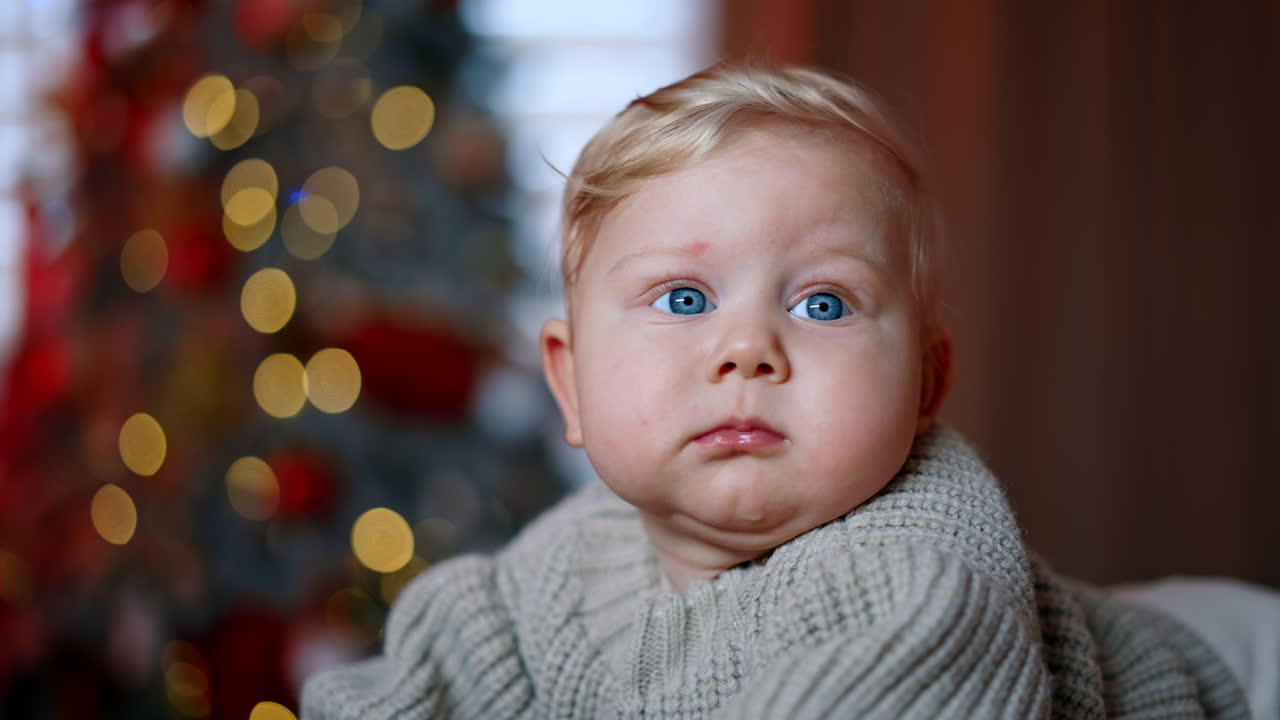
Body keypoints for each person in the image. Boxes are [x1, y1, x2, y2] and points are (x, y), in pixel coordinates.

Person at [301, 64, 1249, 718]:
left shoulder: (920, 566)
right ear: (572, 382)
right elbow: (440, 667)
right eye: (682, 297)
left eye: (825, 303)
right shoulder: (570, 560)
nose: (748, 349)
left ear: (926, 384)